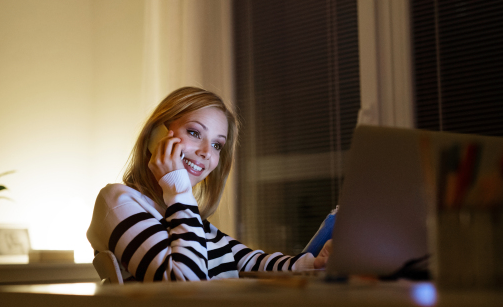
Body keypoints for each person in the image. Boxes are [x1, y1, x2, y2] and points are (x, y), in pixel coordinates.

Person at [87, 87, 332, 282]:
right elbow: (186, 285)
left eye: (217, 145)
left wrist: (314, 263)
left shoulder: (188, 221)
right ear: (156, 135)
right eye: (195, 132)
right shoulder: (118, 201)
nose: (207, 152)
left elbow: (251, 262)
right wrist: (178, 189)